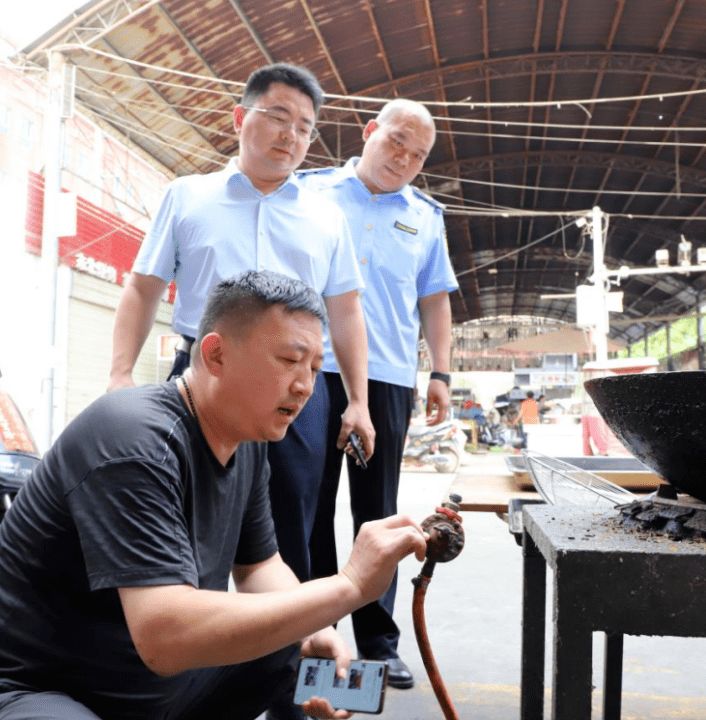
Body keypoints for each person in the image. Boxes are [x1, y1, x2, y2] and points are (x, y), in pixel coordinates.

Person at [0, 271, 429, 720]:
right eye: (290, 361)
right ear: (215, 353)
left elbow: (257, 569)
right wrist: (349, 587)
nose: (305, 387)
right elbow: (165, 637)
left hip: (137, 693)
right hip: (15, 694)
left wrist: (316, 626)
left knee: (290, 637)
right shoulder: (133, 439)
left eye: (316, 368)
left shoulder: (247, 442)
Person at [273, 99, 457, 700]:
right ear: (369, 131)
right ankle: (310, 632)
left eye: (418, 154)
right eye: (395, 142)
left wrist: (441, 374)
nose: (402, 159)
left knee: (377, 510)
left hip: (388, 377)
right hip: (314, 368)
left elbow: (434, 300)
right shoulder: (310, 191)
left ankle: (377, 642)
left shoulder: (426, 217)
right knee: (307, 503)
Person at [107, 62, 374, 459]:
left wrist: (358, 401)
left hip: (295, 384)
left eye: (304, 128)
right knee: (191, 503)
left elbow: (347, 313)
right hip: (204, 374)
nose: (291, 135)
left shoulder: (327, 217)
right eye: (278, 117)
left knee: (289, 510)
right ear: (239, 118)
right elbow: (144, 290)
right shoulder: (187, 197)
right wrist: (120, 374)